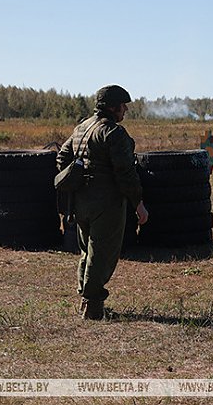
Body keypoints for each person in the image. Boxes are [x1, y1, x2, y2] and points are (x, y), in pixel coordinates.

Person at [56, 84, 149, 320]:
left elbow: (62, 158)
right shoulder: (113, 133)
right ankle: (93, 306)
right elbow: (126, 173)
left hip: (80, 202)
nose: (125, 110)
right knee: (102, 254)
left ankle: (86, 300)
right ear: (111, 107)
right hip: (105, 204)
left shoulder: (81, 128)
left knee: (87, 252)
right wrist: (138, 203)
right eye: (122, 105)